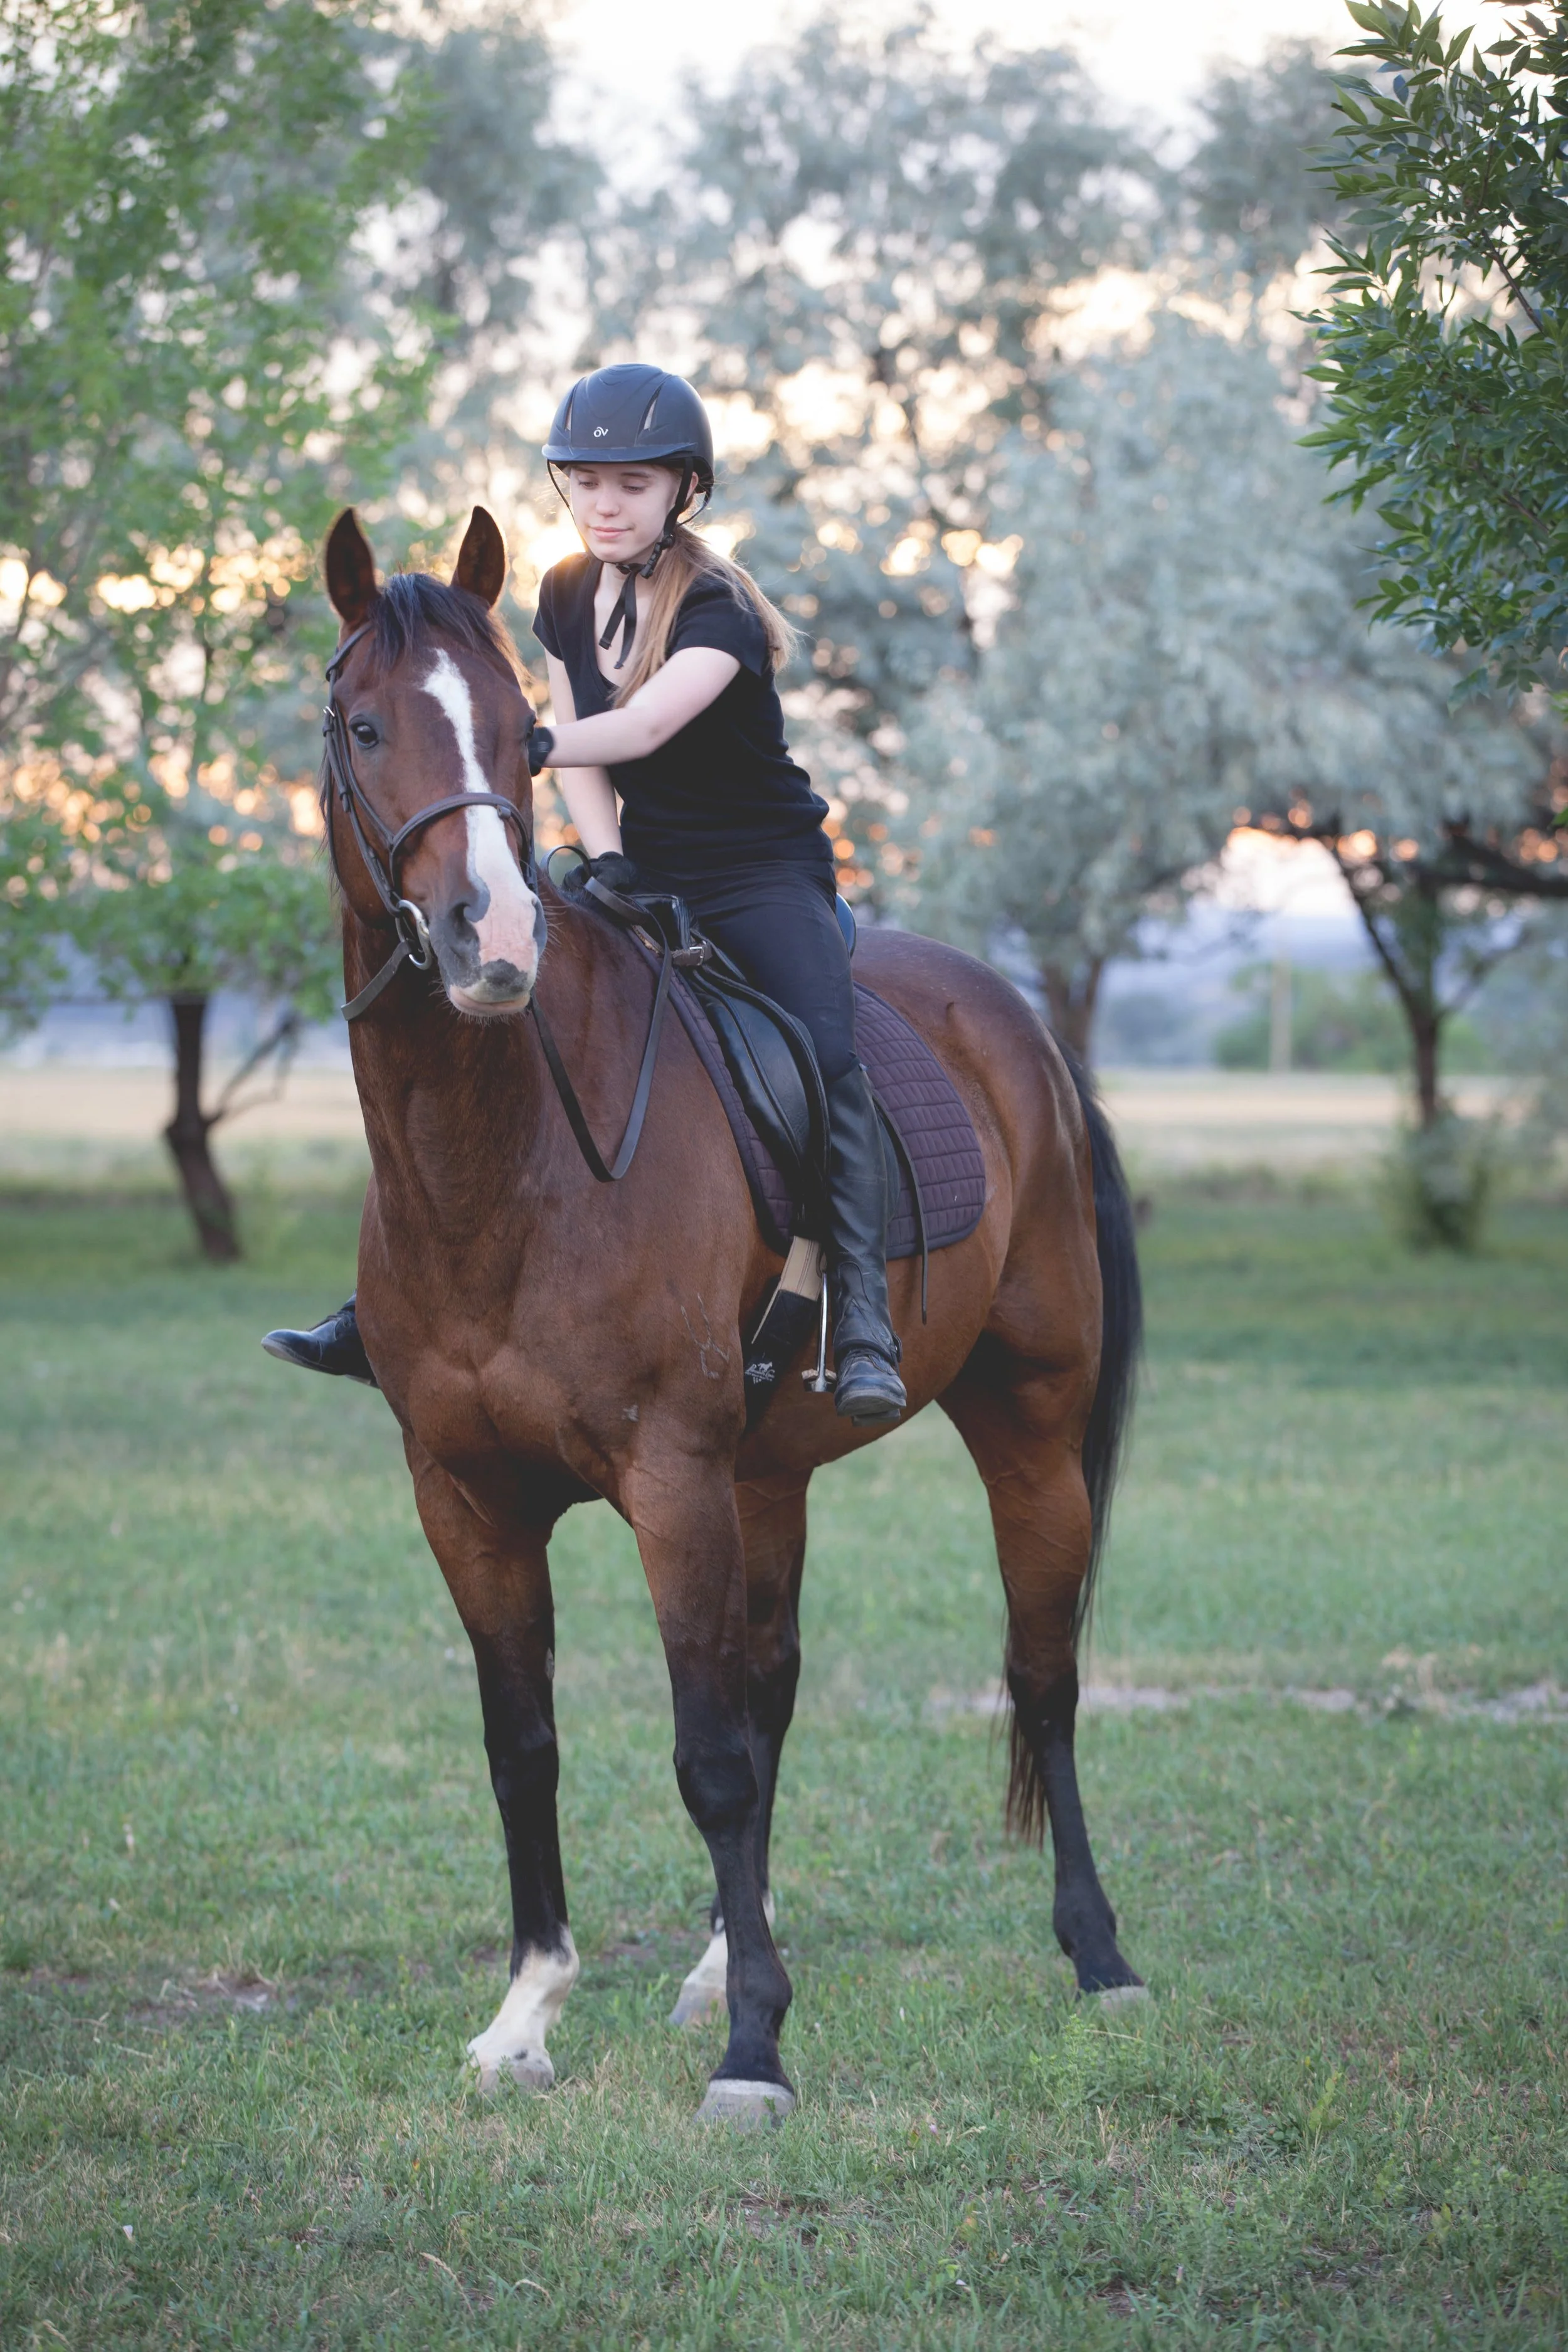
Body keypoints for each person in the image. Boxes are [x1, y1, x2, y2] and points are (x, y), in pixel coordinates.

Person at [264, 363, 906, 1424]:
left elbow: (642, 727)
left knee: (828, 1057)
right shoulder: (565, 590)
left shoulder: (720, 608)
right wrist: (604, 864)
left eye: (635, 485)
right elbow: (592, 775)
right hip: (640, 861)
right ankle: (393, 1300)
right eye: (588, 483)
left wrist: (519, 740)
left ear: (681, 493)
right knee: (481, 1027)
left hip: (760, 874)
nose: (607, 505)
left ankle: (867, 1320)